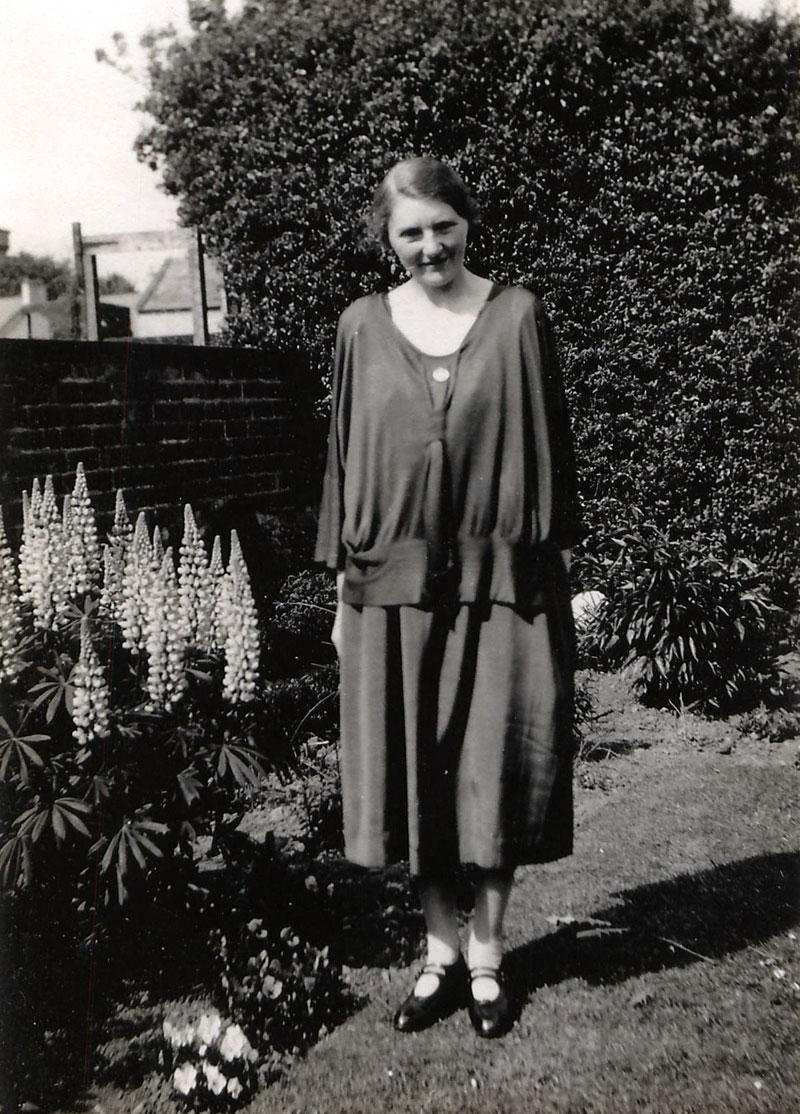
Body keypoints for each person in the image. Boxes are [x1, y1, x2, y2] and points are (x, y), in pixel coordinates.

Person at [315, 156, 581, 1039]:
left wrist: (549, 574)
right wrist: (344, 601)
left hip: (504, 585)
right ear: (387, 241)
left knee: (496, 766)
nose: (430, 246)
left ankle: (490, 954)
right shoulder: (361, 326)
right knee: (415, 774)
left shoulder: (516, 316)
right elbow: (346, 463)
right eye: (410, 232)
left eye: (442, 225)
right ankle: (438, 952)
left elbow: (550, 453)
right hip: (390, 591)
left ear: (467, 221)